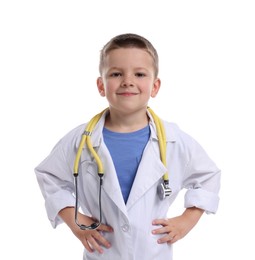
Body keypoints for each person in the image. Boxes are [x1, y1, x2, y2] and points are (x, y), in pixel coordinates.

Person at [35, 33, 221, 260]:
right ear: (101, 85)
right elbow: (49, 176)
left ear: (155, 86)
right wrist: (76, 221)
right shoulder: (80, 140)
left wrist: (187, 220)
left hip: (154, 253)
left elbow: (208, 177)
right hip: (101, 253)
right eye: (116, 74)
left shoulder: (174, 140)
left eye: (140, 74)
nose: (128, 81)